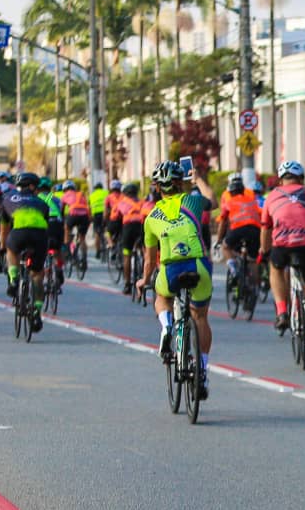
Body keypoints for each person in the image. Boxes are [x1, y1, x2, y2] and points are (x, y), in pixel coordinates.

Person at [138, 161, 217, 397]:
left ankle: (167, 327)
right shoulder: (192, 201)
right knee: (200, 316)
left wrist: (144, 280)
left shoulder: (151, 217)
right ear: (180, 184)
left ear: (157, 189)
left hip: (170, 270)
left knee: (161, 297)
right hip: (199, 265)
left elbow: (150, 261)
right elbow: (212, 200)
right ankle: (202, 369)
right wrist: (199, 179)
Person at [260, 161, 305, 347]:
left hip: (282, 245)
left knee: (276, 270)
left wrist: (264, 251)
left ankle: (281, 312)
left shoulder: (271, 196)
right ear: (301, 178)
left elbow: (265, 228)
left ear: (281, 180)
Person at [0, 172, 50, 333]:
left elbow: (4, 228)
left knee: (12, 250)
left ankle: (14, 279)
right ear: (33, 187)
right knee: (37, 275)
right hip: (39, 235)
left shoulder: (8, 199)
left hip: (19, 233)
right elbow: (46, 223)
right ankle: (36, 312)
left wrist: (3, 246)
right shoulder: (42, 202)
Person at [217, 173, 262, 289]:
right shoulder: (252, 200)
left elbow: (223, 222)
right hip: (255, 230)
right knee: (252, 260)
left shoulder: (229, 201)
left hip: (237, 228)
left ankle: (233, 268)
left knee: (226, 246)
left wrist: (219, 240)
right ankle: (254, 288)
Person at [111, 181, 147, 295]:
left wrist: (113, 233)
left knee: (127, 255)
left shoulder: (121, 203)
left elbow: (114, 219)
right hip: (141, 227)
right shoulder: (142, 202)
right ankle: (145, 275)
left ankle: (127, 284)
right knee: (145, 250)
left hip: (128, 228)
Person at [61, 180, 90, 264]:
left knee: (67, 229)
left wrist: (62, 219)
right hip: (84, 216)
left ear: (64, 189)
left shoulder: (65, 195)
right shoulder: (81, 194)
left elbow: (61, 210)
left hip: (73, 214)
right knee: (82, 238)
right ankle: (84, 258)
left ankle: (67, 250)